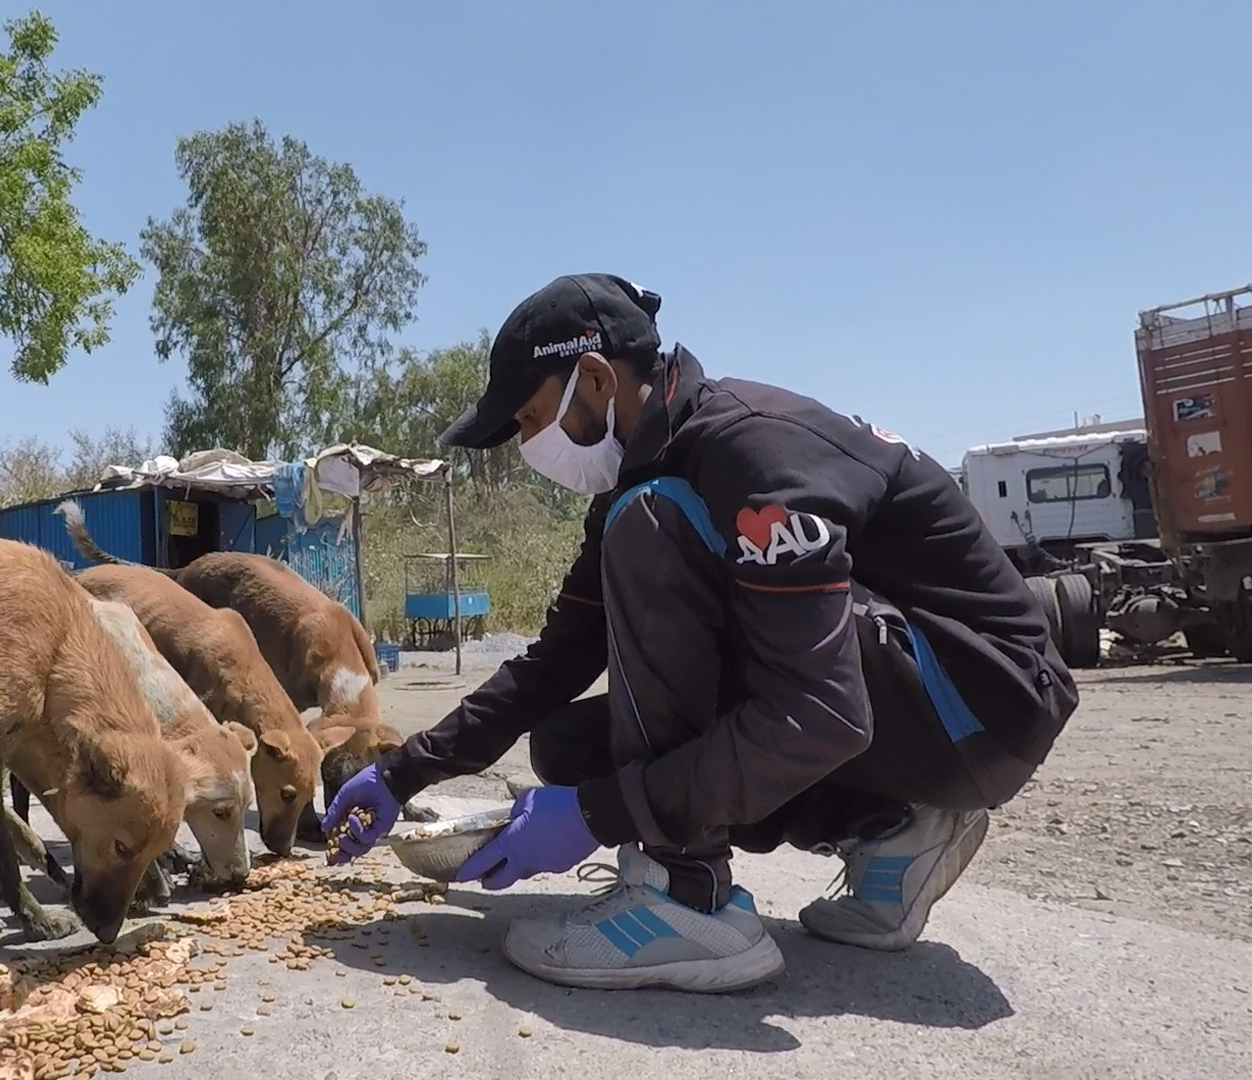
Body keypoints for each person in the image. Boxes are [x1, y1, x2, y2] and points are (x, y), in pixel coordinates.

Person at [322, 272, 1078, 993]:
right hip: (915, 718)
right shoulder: (650, 469)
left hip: (981, 701)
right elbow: (557, 661)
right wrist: (403, 773)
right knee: (574, 747)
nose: (527, 448)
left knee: (651, 524)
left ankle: (685, 898)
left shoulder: (743, 451)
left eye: (527, 419)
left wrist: (595, 817)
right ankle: (893, 825)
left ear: (593, 378)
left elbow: (821, 715)